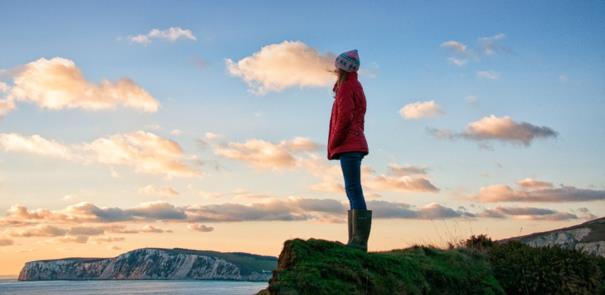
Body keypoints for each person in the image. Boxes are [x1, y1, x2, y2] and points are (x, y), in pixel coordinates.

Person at [327, 49, 371, 252]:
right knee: (353, 189)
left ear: (342, 68)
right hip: (356, 143)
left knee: (353, 189)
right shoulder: (356, 85)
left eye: (337, 67)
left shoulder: (345, 88)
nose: (334, 70)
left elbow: (344, 118)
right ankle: (355, 240)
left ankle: (358, 242)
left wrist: (335, 141)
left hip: (349, 144)